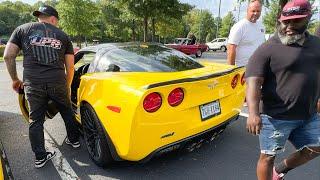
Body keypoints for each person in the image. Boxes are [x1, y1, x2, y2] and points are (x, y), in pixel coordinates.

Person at [245, 0, 320, 179]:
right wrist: (253, 113)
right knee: (267, 157)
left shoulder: (317, 44)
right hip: (276, 118)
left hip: (308, 115)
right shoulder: (269, 48)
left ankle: (279, 170)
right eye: (286, 21)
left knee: (316, 148)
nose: (289, 26)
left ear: (308, 18)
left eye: (296, 21)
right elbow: (253, 82)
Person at [3, 5, 80, 168]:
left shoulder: (22, 29)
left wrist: (15, 79)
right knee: (67, 111)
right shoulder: (63, 36)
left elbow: (8, 55)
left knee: (35, 120)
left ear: (40, 16)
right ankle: (74, 141)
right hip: (57, 81)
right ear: (53, 19)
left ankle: (40, 157)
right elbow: (70, 67)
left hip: (33, 82)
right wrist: (66, 86)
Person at [227, 0, 265, 67]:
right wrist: (232, 70)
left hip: (258, 68)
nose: (256, 13)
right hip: (242, 69)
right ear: (247, 10)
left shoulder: (262, 26)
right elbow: (231, 48)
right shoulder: (239, 26)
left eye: (258, 11)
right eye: (253, 11)